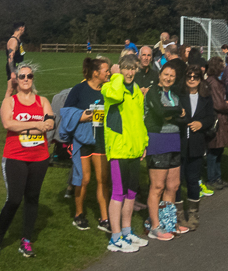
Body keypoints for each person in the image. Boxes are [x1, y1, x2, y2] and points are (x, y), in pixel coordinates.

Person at [0, 67, 53, 258]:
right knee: (14, 199)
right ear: (17, 80)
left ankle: (26, 239)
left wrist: (29, 127)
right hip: (15, 156)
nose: (26, 79)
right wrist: (36, 125)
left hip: (39, 157)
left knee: (32, 197)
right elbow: (8, 124)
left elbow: (50, 124)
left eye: (29, 76)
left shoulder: (43, 101)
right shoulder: (10, 101)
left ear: (32, 79)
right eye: (22, 76)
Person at [101, 53, 149, 253]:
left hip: (134, 149)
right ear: (120, 68)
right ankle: (115, 237)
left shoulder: (136, 90)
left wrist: (144, 143)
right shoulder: (111, 86)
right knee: (118, 193)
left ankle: (127, 232)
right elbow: (115, 96)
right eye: (126, 68)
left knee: (131, 194)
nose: (129, 72)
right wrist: (117, 76)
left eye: (132, 68)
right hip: (119, 149)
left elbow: (139, 119)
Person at [61, 58, 110, 233]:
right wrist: (84, 116)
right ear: (95, 72)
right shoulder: (79, 89)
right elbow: (66, 112)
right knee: (84, 179)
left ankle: (104, 218)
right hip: (82, 139)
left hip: (101, 140)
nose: (109, 73)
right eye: (106, 70)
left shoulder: (108, 89)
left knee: (103, 179)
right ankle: (79, 214)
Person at [144, 61, 188, 240]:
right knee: (158, 186)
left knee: (173, 186)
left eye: (172, 76)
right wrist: (177, 112)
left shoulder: (174, 94)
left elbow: (185, 118)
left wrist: (174, 114)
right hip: (158, 140)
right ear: (160, 75)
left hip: (174, 140)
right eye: (166, 74)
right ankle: (154, 225)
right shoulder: (153, 92)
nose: (168, 78)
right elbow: (160, 113)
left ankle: (168, 222)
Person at [179, 66, 214, 230]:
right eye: (189, 76)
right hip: (179, 143)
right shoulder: (179, 96)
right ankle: (178, 214)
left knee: (193, 180)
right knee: (177, 181)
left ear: (200, 79)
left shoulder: (206, 98)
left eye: (195, 77)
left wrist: (201, 124)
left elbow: (211, 118)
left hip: (197, 143)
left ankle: (193, 214)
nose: (192, 79)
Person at [204, 56, 228, 189]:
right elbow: (218, 104)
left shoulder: (213, 81)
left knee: (218, 151)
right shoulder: (214, 83)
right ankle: (212, 178)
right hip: (217, 119)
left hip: (219, 119)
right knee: (214, 151)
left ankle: (217, 177)